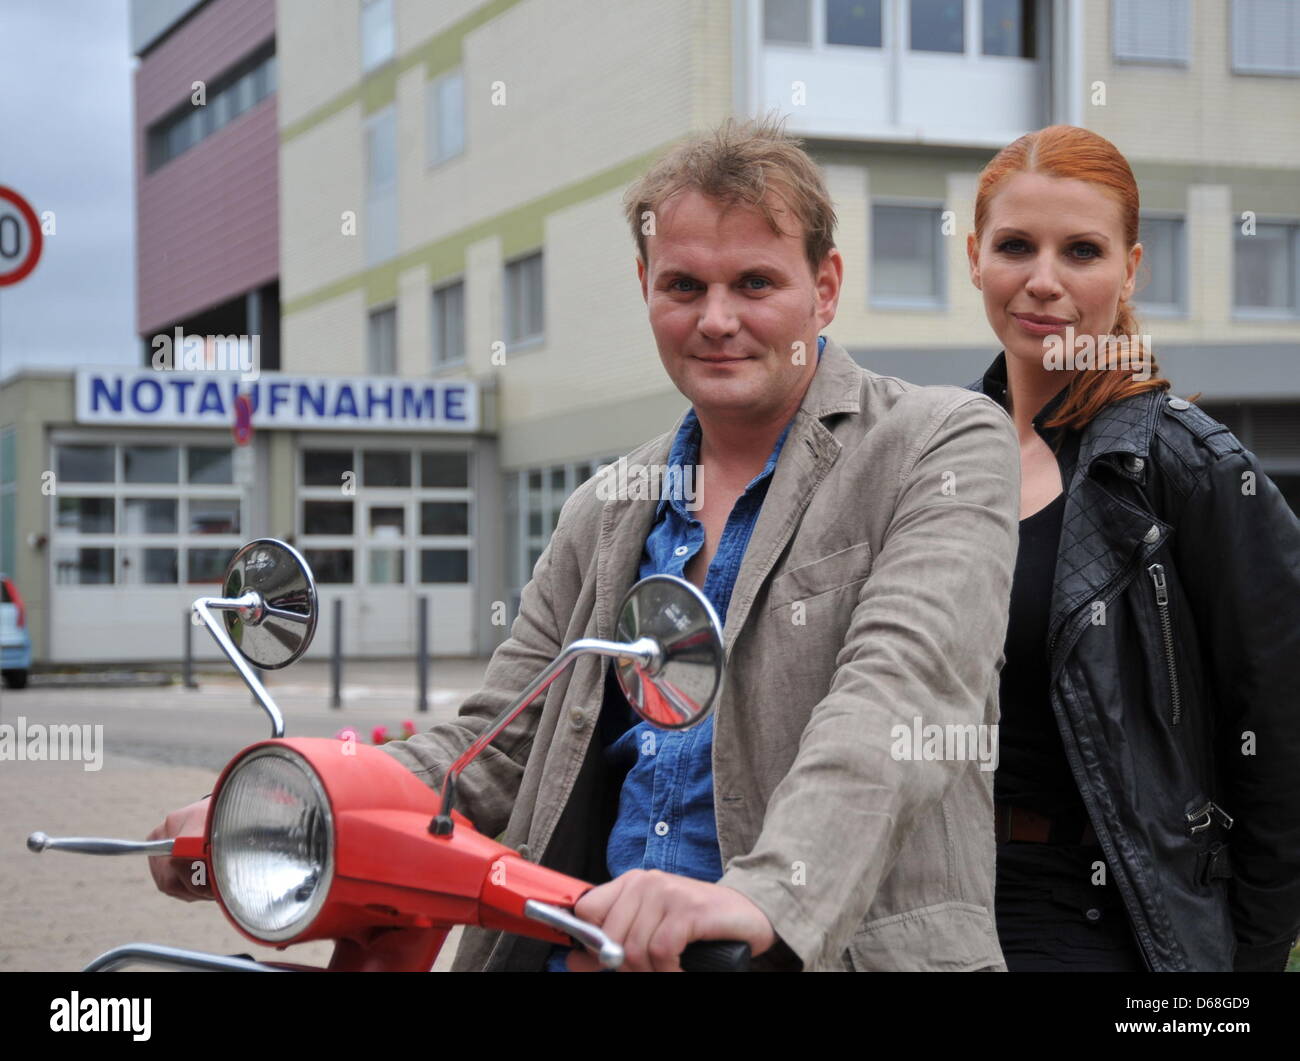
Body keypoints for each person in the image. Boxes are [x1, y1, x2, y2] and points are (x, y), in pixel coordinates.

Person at [150, 115, 1021, 972]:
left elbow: (903, 693)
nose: (717, 319)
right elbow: (498, 738)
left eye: (756, 283)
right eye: (684, 286)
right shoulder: (608, 505)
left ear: (825, 287)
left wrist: (765, 896)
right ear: (645, 283)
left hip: (801, 950)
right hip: (589, 947)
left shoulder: (940, 442)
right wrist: (285, 801)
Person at [965, 124, 1300, 972]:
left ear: (1131, 268)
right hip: (932, 901)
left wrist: (1236, 977)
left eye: (1081, 250)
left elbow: (1283, 738)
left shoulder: (1194, 468)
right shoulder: (927, 456)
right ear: (974, 258)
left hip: (1105, 921)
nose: (1044, 281)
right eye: (1015, 246)